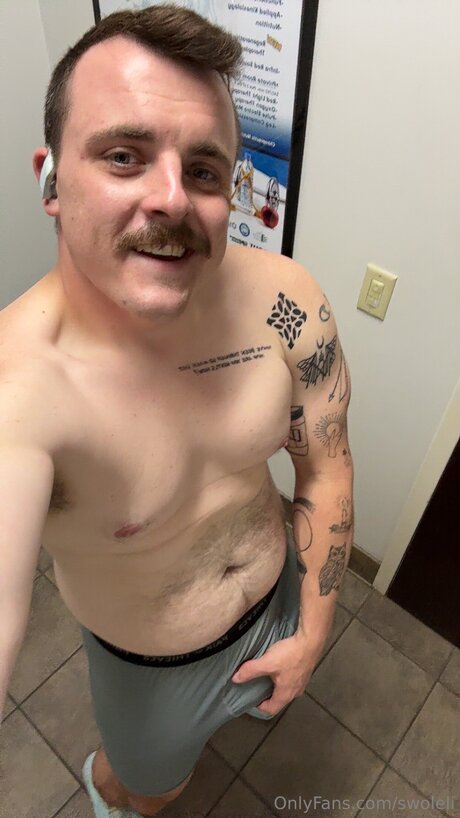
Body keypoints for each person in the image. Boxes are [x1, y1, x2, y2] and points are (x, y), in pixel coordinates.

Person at [0, 5, 354, 817]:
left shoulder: (286, 301)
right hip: (150, 672)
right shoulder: (17, 389)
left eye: (202, 170)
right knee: (149, 793)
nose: (171, 199)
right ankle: (109, 786)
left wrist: (312, 630)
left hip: (282, 599)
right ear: (50, 181)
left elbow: (327, 467)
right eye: (124, 156)